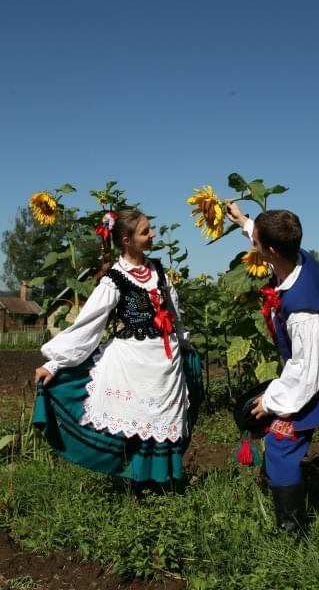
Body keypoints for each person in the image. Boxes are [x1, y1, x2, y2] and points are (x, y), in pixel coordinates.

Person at [226, 201, 319, 531]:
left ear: (269, 250)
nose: (255, 244)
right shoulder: (299, 257)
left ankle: (290, 531)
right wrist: (243, 221)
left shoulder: (301, 311)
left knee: (281, 447)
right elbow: (263, 237)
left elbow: (306, 371)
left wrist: (270, 402)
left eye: (258, 242)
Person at [33, 208, 200, 487]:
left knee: (162, 421)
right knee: (140, 422)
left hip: (166, 363)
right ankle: (138, 484)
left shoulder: (158, 270)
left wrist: (183, 343)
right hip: (134, 363)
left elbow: (174, 313)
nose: (152, 234)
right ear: (126, 240)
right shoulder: (115, 280)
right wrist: (54, 364)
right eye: (145, 231)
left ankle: (163, 484)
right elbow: (88, 325)